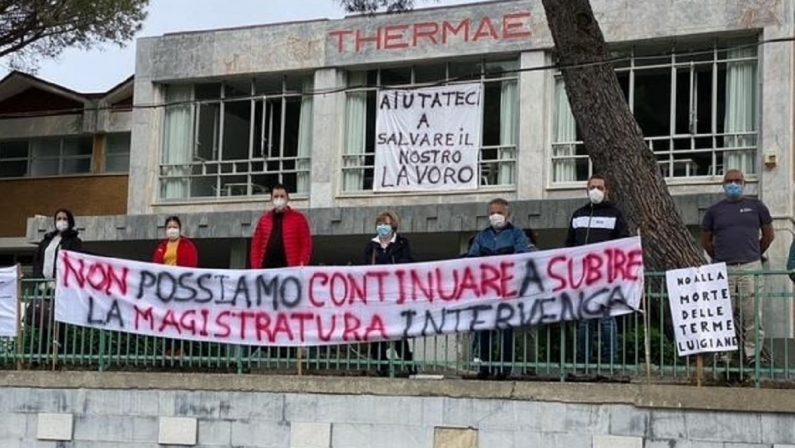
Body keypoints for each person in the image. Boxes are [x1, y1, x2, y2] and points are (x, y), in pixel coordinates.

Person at [702, 169, 774, 365]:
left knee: (753, 315)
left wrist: (754, 253)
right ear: (723, 184)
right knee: (722, 313)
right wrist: (719, 257)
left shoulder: (756, 206)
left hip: (751, 266)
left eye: (737, 181)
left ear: (744, 183)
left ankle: (752, 355)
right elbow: (706, 240)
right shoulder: (714, 211)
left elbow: (769, 235)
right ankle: (723, 356)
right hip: (723, 268)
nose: (733, 184)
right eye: (729, 181)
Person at [566, 174, 629, 366]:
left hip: (607, 277)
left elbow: (623, 243)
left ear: (607, 191)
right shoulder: (578, 215)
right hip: (583, 278)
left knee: (607, 320)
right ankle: (583, 363)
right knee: (585, 321)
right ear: (586, 189)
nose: (595, 191)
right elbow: (569, 244)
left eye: (600, 187)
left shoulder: (615, 214)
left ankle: (611, 363)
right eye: (592, 187)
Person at [468, 198, 534, 379]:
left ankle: (504, 368)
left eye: (499, 213)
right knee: (484, 330)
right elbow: (472, 258)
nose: (495, 216)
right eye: (491, 213)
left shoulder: (517, 235)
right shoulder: (482, 236)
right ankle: (485, 366)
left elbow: (522, 256)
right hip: (487, 291)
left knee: (506, 331)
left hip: (508, 291)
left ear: (508, 215)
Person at [364, 211, 415, 376]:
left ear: (393, 225)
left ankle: (408, 363)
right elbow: (363, 268)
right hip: (376, 297)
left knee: (398, 333)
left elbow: (407, 263)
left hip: (395, 296)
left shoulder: (402, 243)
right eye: (380, 224)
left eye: (385, 224)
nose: (382, 227)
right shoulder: (371, 246)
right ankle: (381, 365)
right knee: (377, 333)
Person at [30, 209, 84, 354]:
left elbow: (75, 262)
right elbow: (38, 261)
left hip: (61, 287)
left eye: (64, 218)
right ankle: (42, 353)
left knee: (59, 321)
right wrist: (38, 279)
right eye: (58, 218)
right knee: (44, 320)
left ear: (70, 221)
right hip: (44, 286)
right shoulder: (47, 240)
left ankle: (59, 353)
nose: (61, 221)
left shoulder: (74, 241)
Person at [250, 183, 312, 269]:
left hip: (290, 271)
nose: (279, 199)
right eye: (276, 196)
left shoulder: (299, 219)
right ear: (271, 199)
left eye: (282, 196)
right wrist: (256, 267)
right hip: (266, 271)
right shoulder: (264, 220)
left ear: (288, 198)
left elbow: (306, 244)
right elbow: (256, 246)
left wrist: (302, 264)